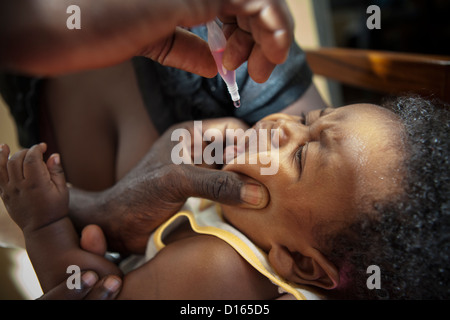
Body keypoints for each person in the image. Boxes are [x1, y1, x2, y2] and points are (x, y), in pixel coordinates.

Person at [1, 96, 448, 299]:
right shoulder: (252, 233)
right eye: (312, 117)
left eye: (303, 153)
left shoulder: (215, 275)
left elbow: (91, 291)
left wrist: (44, 225)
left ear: (303, 263)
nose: (284, 126)